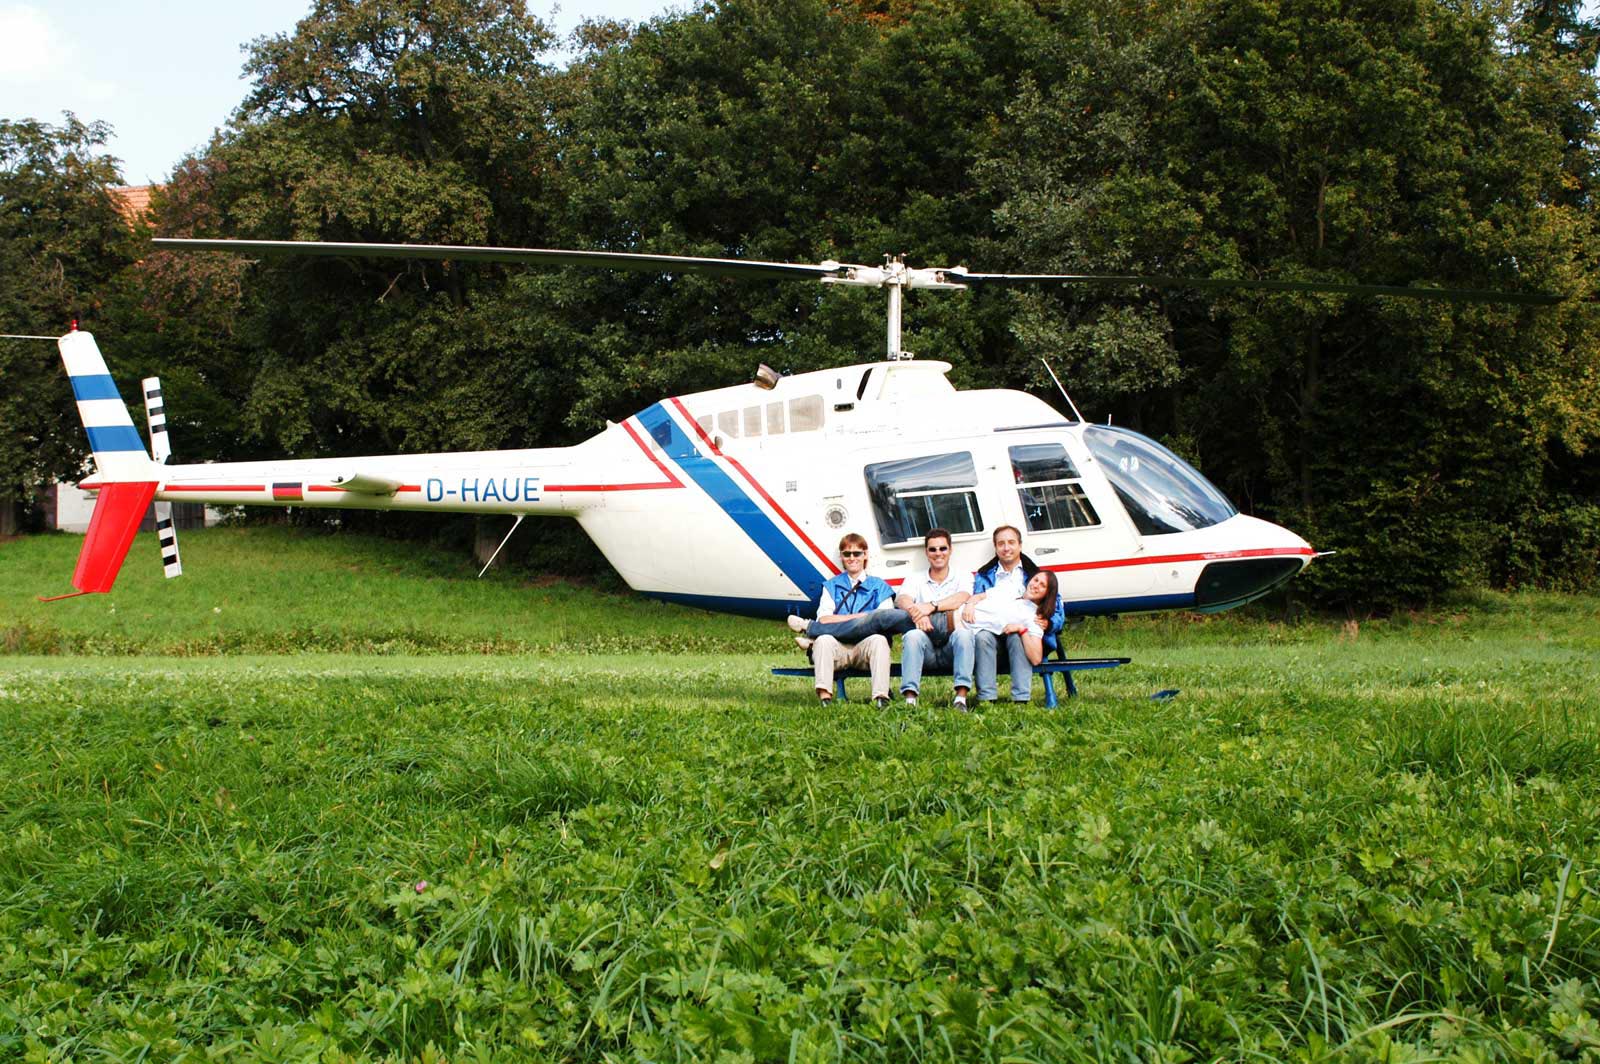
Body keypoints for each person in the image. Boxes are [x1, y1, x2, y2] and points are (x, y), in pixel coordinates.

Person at [967, 525, 1067, 703]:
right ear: (995, 547)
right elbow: (977, 604)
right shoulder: (984, 576)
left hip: (1025, 638)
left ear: (1020, 545)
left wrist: (1049, 623)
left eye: (1011, 542)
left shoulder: (1035, 575)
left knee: (1017, 635)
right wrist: (970, 602)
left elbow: (1056, 607)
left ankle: (1021, 699)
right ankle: (986, 698)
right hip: (992, 635)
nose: (1006, 548)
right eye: (1001, 543)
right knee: (982, 636)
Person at [797, 533, 895, 707]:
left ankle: (881, 698)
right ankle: (825, 698)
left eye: (857, 553)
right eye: (847, 554)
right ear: (841, 557)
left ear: (865, 555)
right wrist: (864, 617)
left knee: (879, 640)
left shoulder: (879, 586)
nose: (852, 558)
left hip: (866, 648)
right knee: (824, 639)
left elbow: (884, 620)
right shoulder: (831, 586)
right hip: (839, 647)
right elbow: (824, 620)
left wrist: (841, 620)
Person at [896, 528, 975, 710]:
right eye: (932, 549)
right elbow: (902, 599)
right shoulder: (915, 578)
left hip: (952, 647)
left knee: (964, 635)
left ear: (950, 550)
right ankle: (910, 700)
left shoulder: (962, 575)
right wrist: (917, 612)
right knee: (912, 636)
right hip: (926, 646)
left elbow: (962, 596)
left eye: (942, 548)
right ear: (926, 552)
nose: (938, 553)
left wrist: (931, 606)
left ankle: (960, 699)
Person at [954, 570, 1060, 690]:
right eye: (1036, 580)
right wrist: (970, 604)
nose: (1036, 585)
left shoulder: (1033, 617)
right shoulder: (1012, 589)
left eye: (1042, 585)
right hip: (953, 613)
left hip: (960, 630)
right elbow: (979, 596)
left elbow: (1036, 658)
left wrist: (1022, 630)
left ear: (1047, 593)